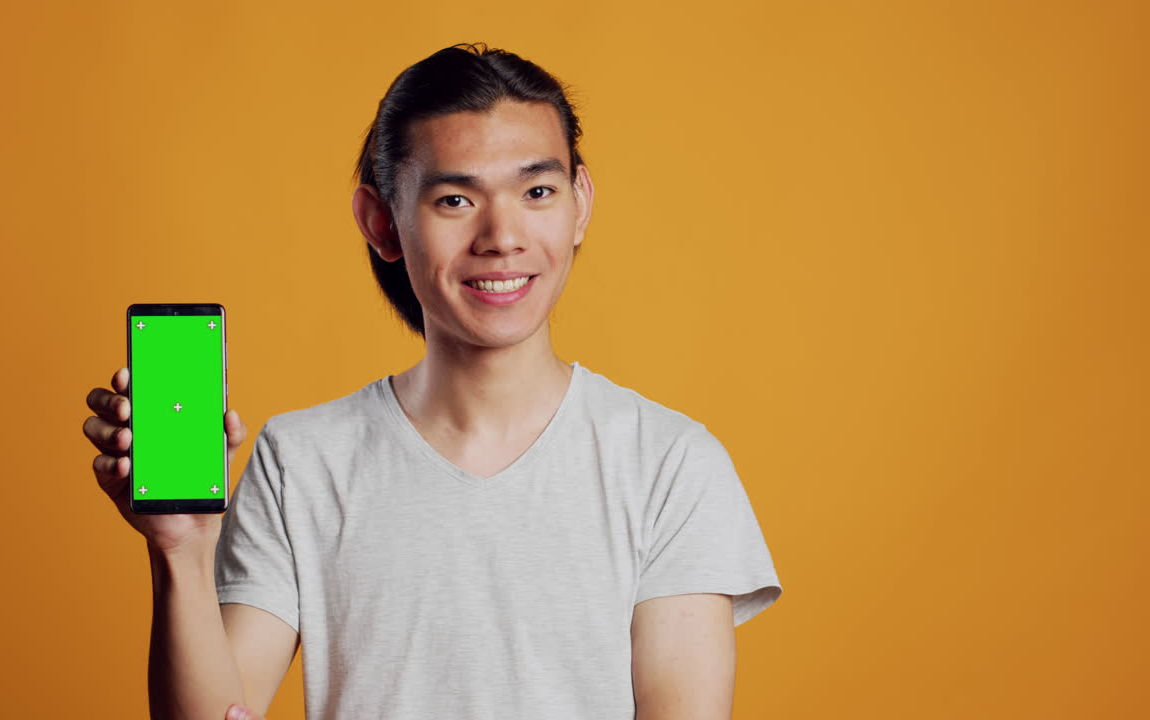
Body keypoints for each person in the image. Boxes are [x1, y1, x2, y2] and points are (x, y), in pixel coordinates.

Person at [82, 42, 782, 720]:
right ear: (382, 223)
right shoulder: (301, 461)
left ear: (581, 202)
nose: (502, 235)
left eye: (538, 191)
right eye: (454, 200)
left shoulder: (669, 464)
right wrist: (180, 550)